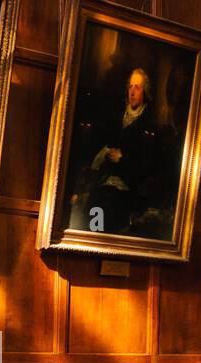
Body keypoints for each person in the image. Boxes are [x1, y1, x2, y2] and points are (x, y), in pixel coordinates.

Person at [70, 68, 174, 237]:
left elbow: (147, 166)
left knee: (107, 213)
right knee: (92, 214)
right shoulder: (115, 115)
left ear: (145, 92)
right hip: (102, 183)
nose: (132, 92)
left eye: (138, 88)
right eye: (131, 86)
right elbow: (99, 145)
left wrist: (122, 159)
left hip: (127, 191)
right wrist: (103, 155)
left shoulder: (149, 126)